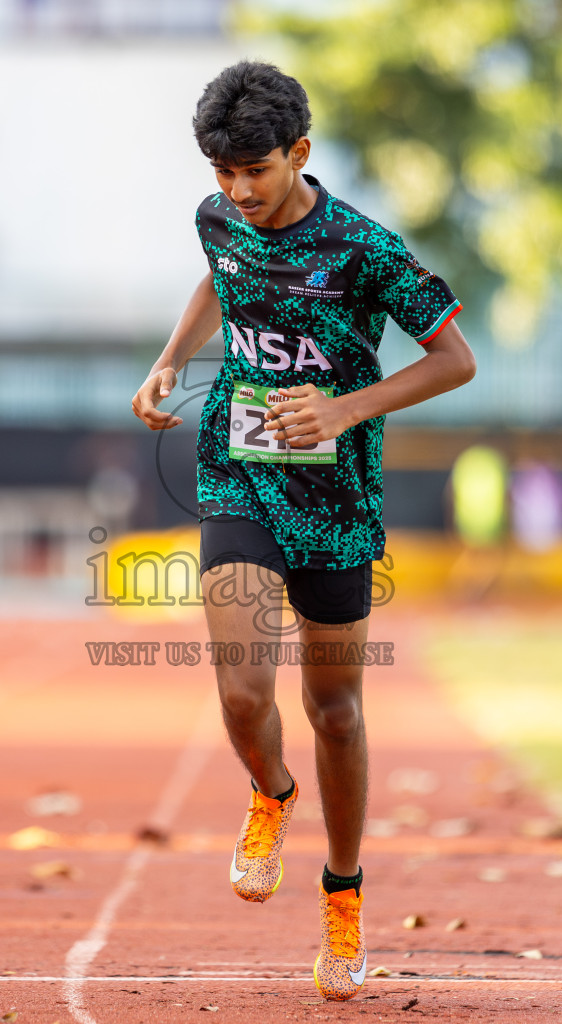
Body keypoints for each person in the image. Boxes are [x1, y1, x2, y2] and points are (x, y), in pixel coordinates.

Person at [130, 61, 476, 1002]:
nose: (238, 192)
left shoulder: (365, 249)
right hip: (238, 470)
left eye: (256, 171)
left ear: (300, 153)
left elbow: (455, 360)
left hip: (337, 500)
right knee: (242, 692)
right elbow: (218, 278)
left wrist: (342, 411)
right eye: (222, 173)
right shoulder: (217, 220)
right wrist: (169, 363)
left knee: (336, 712)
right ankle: (271, 794)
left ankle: (344, 897)